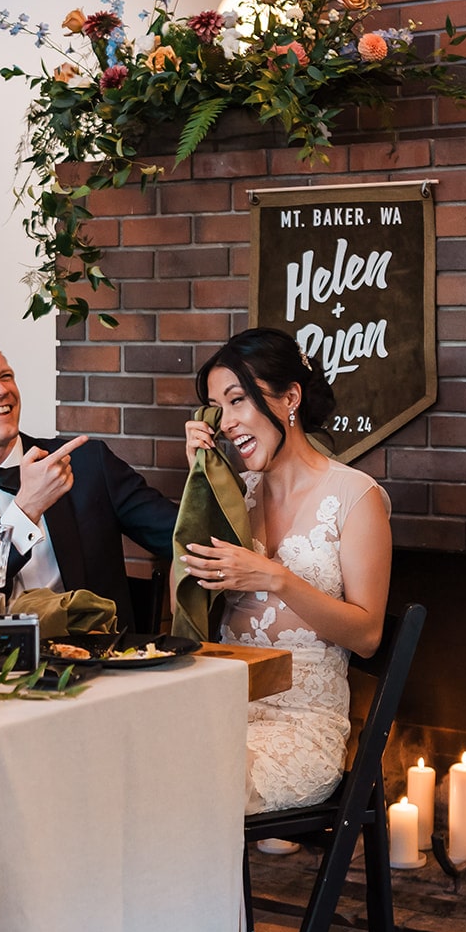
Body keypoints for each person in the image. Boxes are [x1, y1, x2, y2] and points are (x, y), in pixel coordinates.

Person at [182, 328, 392, 816]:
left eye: (238, 401)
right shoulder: (235, 495)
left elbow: (367, 636)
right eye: (216, 408)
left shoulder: (354, 497)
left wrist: (274, 576)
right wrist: (200, 476)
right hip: (222, 710)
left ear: (290, 397)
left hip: (302, 727)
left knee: (183, 782)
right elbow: (190, 588)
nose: (227, 422)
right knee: (122, 759)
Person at [0, 330, 177, 629]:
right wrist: (26, 510)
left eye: (5, 376)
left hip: (102, 663)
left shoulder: (88, 463)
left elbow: (180, 536)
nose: (1, 389)